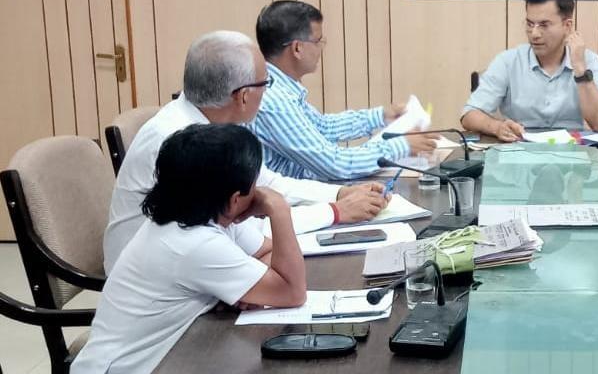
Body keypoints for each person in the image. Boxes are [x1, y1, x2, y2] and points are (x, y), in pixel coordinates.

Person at [64, 124, 306, 374]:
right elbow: (292, 291)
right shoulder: (192, 243)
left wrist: (248, 286)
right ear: (235, 199)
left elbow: (265, 253)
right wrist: (279, 209)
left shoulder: (192, 213)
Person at [103, 30, 387, 272]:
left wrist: (340, 194)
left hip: (188, 262)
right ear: (243, 96)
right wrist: (335, 212)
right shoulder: (186, 145)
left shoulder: (211, 122)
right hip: (157, 281)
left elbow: (268, 184)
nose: (267, 92)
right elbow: (242, 230)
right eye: (266, 83)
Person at [250, 1, 438, 180]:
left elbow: (323, 127)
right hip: (292, 199)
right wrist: (401, 146)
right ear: (297, 48)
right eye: (318, 41)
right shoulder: (274, 100)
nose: (321, 48)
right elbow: (335, 164)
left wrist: (381, 116)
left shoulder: (281, 88)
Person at [460, 0, 598, 141]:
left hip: (572, 150)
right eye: (530, 24)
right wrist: (497, 127)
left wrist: (580, 70)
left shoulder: (589, 61)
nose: (534, 34)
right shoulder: (508, 61)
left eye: (544, 25)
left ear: (567, 26)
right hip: (518, 148)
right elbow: (469, 114)